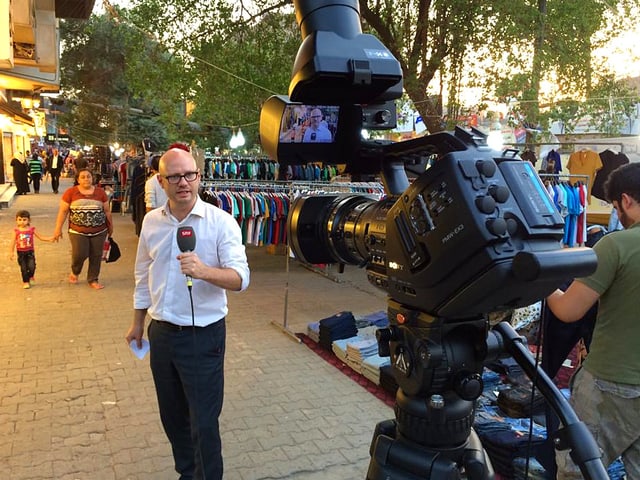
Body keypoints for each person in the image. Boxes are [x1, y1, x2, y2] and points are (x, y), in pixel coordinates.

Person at [126, 147, 250, 480]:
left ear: (198, 176)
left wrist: (204, 270)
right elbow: (142, 274)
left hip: (203, 336)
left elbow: (241, 278)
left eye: (190, 175)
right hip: (162, 334)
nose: (184, 183)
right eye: (175, 177)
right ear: (161, 182)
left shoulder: (220, 222)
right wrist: (138, 322)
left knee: (204, 424)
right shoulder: (152, 222)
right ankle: (187, 473)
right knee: (173, 417)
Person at [546, 162, 640, 479]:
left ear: (626, 200)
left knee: (578, 467)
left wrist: (545, 285)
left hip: (612, 383)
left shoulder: (617, 244)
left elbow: (568, 311)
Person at [53, 168, 113, 289]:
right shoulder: (71, 193)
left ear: (93, 178)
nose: (86, 179)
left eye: (88, 176)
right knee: (80, 253)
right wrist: (58, 228)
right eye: (83, 177)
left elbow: (107, 211)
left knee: (96, 255)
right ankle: (75, 271)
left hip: (99, 230)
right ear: (78, 180)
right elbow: (63, 211)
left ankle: (93, 279)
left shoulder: (100, 192)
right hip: (77, 231)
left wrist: (110, 227)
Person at [9, 210, 56, 289]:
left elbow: (41, 237)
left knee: (32, 266)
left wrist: (50, 239)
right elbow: (13, 242)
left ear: (29, 220)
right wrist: (11, 252)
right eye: (20, 220)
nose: (22, 222)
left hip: (30, 252)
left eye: (24, 220)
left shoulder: (32, 230)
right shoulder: (16, 231)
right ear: (16, 220)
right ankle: (26, 282)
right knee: (23, 268)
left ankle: (31, 276)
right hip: (21, 253)